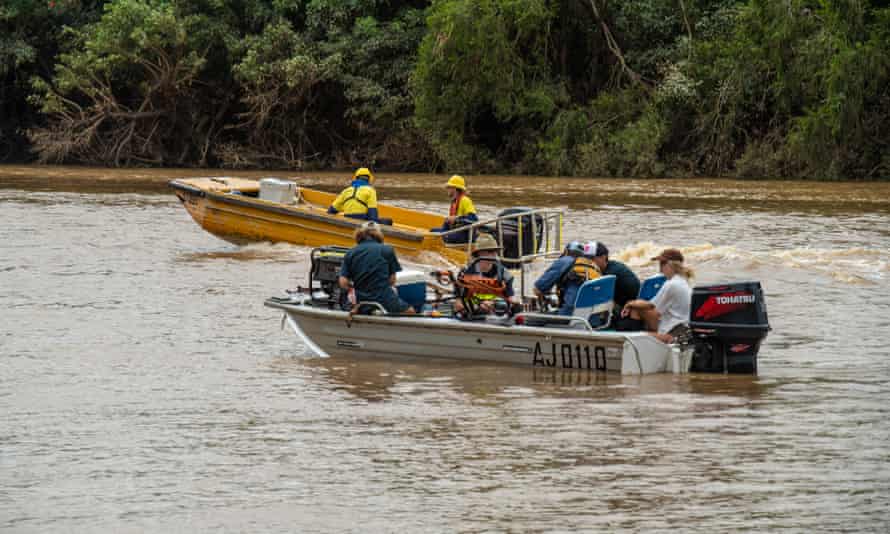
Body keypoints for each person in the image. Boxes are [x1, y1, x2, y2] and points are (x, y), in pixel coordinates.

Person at [338, 221, 415, 314]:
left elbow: (343, 282)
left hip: (360, 301)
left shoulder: (350, 253)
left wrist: (352, 290)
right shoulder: (387, 250)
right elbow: (392, 280)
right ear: (379, 234)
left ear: (360, 234)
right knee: (410, 312)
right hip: (384, 298)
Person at [620, 248, 693, 342]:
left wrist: (629, 304)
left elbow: (651, 306)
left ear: (670, 265)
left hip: (672, 333)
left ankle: (635, 346)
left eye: (662, 264)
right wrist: (633, 304)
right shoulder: (683, 280)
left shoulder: (671, 284)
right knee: (637, 307)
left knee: (636, 333)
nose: (660, 268)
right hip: (682, 327)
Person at [452, 234, 515, 316]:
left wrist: (494, 304)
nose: (493, 255)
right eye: (489, 251)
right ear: (479, 253)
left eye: (495, 251)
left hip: (494, 318)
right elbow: (458, 303)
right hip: (470, 316)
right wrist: (476, 306)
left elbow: (510, 300)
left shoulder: (505, 275)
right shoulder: (465, 273)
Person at [583, 241, 641, 330]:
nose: (588, 262)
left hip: (629, 309)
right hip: (634, 304)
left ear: (603, 257)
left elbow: (598, 298)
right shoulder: (613, 265)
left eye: (592, 258)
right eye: (586, 259)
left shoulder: (608, 275)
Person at [533, 241, 600, 315]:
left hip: (570, 315)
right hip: (593, 315)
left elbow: (537, 289)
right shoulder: (592, 266)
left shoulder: (564, 261)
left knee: (531, 319)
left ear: (566, 251)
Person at [430, 175, 478, 243]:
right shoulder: (454, 201)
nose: (447, 189)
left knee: (440, 236)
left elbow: (474, 219)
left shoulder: (465, 200)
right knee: (432, 231)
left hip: (465, 235)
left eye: (449, 187)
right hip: (457, 232)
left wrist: (456, 218)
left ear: (454, 189)